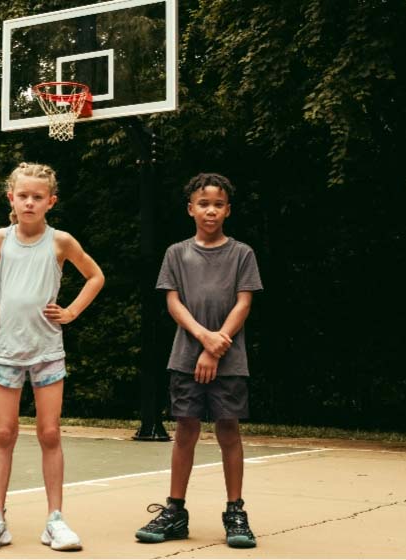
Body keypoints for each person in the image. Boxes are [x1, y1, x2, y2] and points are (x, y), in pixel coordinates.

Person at [0, 162, 104, 552]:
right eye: (23, 196)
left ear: (51, 201)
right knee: (4, 433)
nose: (30, 202)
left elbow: (95, 276)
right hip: (6, 350)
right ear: (11, 199)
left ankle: (55, 520)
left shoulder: (61, 241)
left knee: (49, 433)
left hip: (47, 350)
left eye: (38, 197)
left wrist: (71, 312)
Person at [135, 172, 263, 548]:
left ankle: (235, 512)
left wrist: (216, 345)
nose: (211, 210)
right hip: (186, 357)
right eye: (203, 204)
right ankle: (175, 511)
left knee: (228, 431)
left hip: (229, 359)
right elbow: (173, 302)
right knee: (186, 430)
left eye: (218, 204)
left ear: (228, 210)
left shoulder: (242, 253)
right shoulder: (176, 253)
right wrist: (203, 339)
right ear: (190, 209)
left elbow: (244, 302)